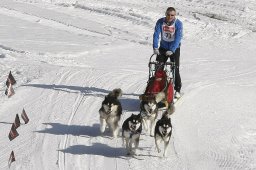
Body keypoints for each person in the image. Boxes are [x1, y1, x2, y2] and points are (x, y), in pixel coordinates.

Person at [153, 7, 183, 98]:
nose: (170, 16)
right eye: (168, 14)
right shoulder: (160, 22)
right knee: (158, 68)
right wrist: (155, 47)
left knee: (175, 69)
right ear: (165, 14)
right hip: (163, 47)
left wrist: (172, 50)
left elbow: (178, 38)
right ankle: (157, 88)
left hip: (175, 49)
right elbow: (156, 35)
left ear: (175, 15)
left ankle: (177, 90)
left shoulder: (178, 24)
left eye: (172, 15)